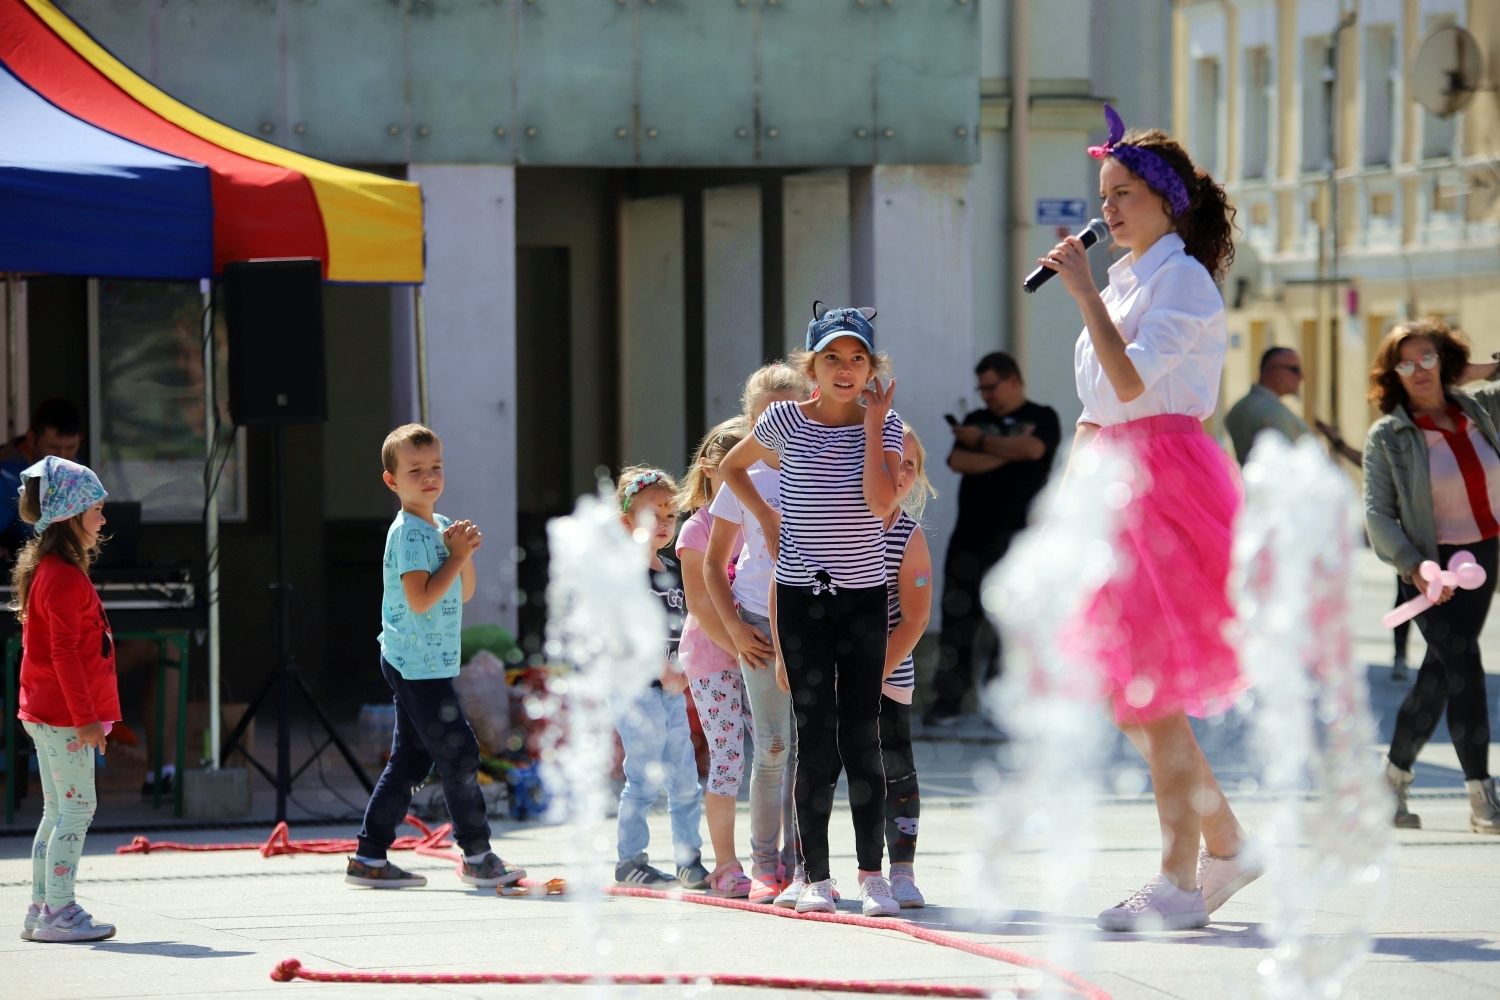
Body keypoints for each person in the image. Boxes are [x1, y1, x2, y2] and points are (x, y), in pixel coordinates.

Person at [1042, 104, 1259, 931]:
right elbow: (1098, 410)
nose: (1108, 210)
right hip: (1112, 477)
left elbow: (1130, 385)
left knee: (1149, 687)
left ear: (1167, 201)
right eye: (1104, 195)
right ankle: (1228, 841)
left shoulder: (1182, 280)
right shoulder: (1133, 277)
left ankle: (1179, 876)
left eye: (1124, 193)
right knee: (1125, 694)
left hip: (1165, 481)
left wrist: (1085, 293)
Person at [719, 304, 905, 918]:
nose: (845, 369)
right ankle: (814, 877)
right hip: (801, 598)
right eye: (833, 358)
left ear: (873, 368)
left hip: (861, 599)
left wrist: (875, 426)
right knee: (813, 738)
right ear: (812, 366)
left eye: (858, 359)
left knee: (862, 736)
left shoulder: (890, 423)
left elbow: (880, 505)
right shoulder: (782, 421)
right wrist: (769, 518)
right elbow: (730, 466)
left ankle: (873, 876)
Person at [348, 424, 527, 889]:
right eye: (415, 471)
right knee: (460, 750)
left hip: (428, 662)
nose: (428, 477)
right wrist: (456, 554)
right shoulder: (407, 533)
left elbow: (463, 592)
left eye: (435, 468)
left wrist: (461, 554)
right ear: (392, 481)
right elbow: (422, 599)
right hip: (414, 662)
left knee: (411, 758)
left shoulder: (440, 526)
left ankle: (369, 856)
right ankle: (477, 853)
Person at [1362, 318, 1500, 835]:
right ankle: (1483, 797)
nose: (1418, 370)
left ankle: (1390, 784)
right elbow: (1377, 514)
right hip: (1428, 571)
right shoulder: (1390, 436)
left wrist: (1477, 370)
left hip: (1483, 557)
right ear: (1393, 373)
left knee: (1440, 673)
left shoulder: (1480, 409)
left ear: (1447, 362)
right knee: (1464, 662)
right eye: (1406, 362)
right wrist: (1414, 566)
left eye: (1428, 358)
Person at [703, 362, 811, 904]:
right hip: (758, 625)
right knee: (772, 747)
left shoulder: (819, 464)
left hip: (813, 620)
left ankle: (807, 864)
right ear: (751, 418)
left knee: (809, 748)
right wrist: (736, 633)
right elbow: (713, 564)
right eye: (767, 413)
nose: (779, 421)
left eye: (789, 408)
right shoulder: (739, 481)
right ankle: (766, 865)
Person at [12, 456, 117, 942]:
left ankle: (41, 908)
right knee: (76, 811)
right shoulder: (62, 577)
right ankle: (59, 911)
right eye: (96, 509)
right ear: (73, 515)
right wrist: (88, 720)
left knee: (57, 811)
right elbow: (64, 656)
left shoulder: (53, 572)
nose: (102, 519)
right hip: (65, 718)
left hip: (50, 714)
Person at [929, 353, 1060, 726]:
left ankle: (1002, 705)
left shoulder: (1042, 417)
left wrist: (982, 443)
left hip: (1020, 543)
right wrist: (1007, 450)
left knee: (1013, 624)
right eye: (981, 389)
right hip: (969, 539)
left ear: (1013, 380)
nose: (986, 395)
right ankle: (948, 703)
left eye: (992, 386)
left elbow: (1034, 450)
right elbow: (959, 461)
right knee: (958, 620)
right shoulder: (975, 421)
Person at [611, 467, 709, 888]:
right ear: (627, 522)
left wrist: (684, 669)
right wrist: (663, 669)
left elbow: (685, 627)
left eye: (672, 516)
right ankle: (630, 861)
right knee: (643, 779)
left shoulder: (671, 571)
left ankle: (689, 859)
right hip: (639, 691)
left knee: (685, 779)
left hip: (670, 690)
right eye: (656, 514)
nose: (666, 524)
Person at [674, 419, 752, 896]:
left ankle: (780, 857)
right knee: (728, 758)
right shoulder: (698, 528)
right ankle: (726, 863)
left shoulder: (762, 519)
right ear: (708, 469)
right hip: (713, 659)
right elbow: (701, 605)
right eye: (734, 470)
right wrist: (740, 647)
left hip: (758, 656)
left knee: (776, 755)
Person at [879, 425, 937, 907]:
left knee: (897, 771)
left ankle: (902, 871)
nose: (900, 473)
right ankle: (811, 870)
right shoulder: (833, 521)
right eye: (892, 459)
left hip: (887, 676)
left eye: (910, 466)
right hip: (827, 675)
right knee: (820, 769)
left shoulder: (909, 537)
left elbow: (916, 619)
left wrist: (873, 673)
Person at [1311, 416, 1415, 684]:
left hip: (1444, 531)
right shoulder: (1394, 444)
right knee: (1406, 595)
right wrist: (1337, 442)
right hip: (1409, 535)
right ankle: (1400, 657)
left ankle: (1440, 661)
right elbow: (1368, 463)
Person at [0, 399, 83, 560]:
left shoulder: (78, 469)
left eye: (71, 448)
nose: (63, 457)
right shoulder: (4, 473)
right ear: (31, 439)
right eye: (53, 448)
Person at [1223, 347, 1310, 465]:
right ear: (1275, 371)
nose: (1301, 377)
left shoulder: (1241, 406)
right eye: (1295, 370)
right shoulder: (1271, 412)